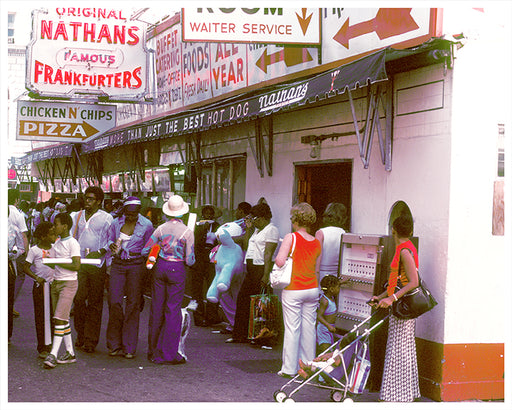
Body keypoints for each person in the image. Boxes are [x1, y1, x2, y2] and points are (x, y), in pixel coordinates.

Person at [368, 214, 420, 402]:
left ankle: (397, 394)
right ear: (411, 232)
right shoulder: (405, 248)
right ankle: (405, 392)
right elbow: (398, 281)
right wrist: (381, 297)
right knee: (401, 348)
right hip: (399, 304)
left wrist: (392, 298)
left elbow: (413, 282)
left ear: (393, 230)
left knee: (399, 349)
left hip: (403, 307)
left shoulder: (404, 251)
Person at [141, 195, 195, 364]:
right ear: (183, 213)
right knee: (173, 311)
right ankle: (169, 354)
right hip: (177, 269)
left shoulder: (160, 229)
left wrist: (158, 252)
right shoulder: (187, 231)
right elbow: (190, 260)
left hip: (160, 268)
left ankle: (153, 351)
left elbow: (145, 250)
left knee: (157, 308)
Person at [275, 202, 321, 378]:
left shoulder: (291, 238)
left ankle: (289, 368)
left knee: (292, 328)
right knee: (309, 328)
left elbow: (280, 261)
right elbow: (317, 268)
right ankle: (309, 366)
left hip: (293, 288)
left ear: (295, 220)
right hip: (312, 288)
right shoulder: (317, 242)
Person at [106, 197, 154, 359]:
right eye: (128, 214)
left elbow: (150, 246)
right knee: (115, 302)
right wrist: (111, 245)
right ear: (124, 212)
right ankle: (114, 343)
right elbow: (110, 239)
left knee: (133, 304)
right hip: (118, 264)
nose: (131, 217)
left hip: (136, 265)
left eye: (134, 214)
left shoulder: (147, 225)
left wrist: (144, 261)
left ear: (139, 212)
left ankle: (129, 346)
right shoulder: (115, 223)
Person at [226, 202, 279, 344]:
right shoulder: (256, 230)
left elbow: (268, 254)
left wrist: (266, 275)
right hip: (250, 268)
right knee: (244, 300)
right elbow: (245, 243)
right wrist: (249, 229)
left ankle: (261, 335)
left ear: (263, 218)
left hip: (261, 268)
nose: (253, 221)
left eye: (255, 218)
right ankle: (240, 334)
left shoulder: (271, 230)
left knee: (261, 304)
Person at [71, 186, 113, 353]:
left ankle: (91, 340)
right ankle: (81, 334)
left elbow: (112, 240)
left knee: (95, 303)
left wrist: (101, 251)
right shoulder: (77, 216)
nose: (87, 201)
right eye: (85, 198)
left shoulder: (107, 218)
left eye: (90, 199)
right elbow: (71, 236)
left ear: (98, 201)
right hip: (79, 264)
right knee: (79, 300)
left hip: (97, 264)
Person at [44, 212, 81, 369]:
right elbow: (54, 264)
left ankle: (53, 354)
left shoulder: (73, 243)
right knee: (62, 319)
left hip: (69, 283)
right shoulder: (57, 244)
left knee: (59, 318)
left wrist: (58, 262)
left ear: (65, 226)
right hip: (56, 283)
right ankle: (70, 353)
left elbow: (76, 265)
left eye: (56, 224)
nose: (54, 227)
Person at [23, 221, 57, 358]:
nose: (54, 236)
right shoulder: (34, 250)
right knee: (41, 317)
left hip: (54, 287)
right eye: (51, 234)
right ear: (43, 236)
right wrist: (36, 277)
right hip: (40, 287)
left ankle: (52, 346)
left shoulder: (55, 248)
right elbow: (25, 267)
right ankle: (42, 347)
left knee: (53, 316)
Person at [189, 205, 220, 327]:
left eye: (210, 214)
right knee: (197, 288)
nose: (208, 216)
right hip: (199, 257)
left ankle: (212, 315)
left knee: (212, 286)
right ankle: (199, 316)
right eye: (206, 214)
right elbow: (194, 242)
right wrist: (203, 230)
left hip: (212, 258)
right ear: (202, 215)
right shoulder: (197, 226)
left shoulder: (217, 226)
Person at [8, 189, 29, 318]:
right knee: (19, 275)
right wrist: (26, 253)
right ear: (16, 200)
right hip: (14, 252)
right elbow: (23, 235)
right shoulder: (18, 214)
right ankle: (10, 304)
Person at [315, 202, 347, 283]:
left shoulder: (320, 233)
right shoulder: (344, 233)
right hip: (337, 274)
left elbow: (318, 257)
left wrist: (315, 276)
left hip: (323, 273)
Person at [8, 213, 25, 343]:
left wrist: (13, 254)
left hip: (8, 266)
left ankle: (6, 334)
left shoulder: (13, 229)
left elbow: (21, 248)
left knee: (7, 302)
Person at [316, 275, 341, 353]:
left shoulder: (331, 296)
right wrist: (328, 325)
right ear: (332, 289)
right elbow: (319, 316)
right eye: (338, 287)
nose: (339, 289)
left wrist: (342, 282)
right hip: (324, 329)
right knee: (326, 352)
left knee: (330, 350)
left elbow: (333, 286)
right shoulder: (325, 301)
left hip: (329, 328)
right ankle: (322, 364)